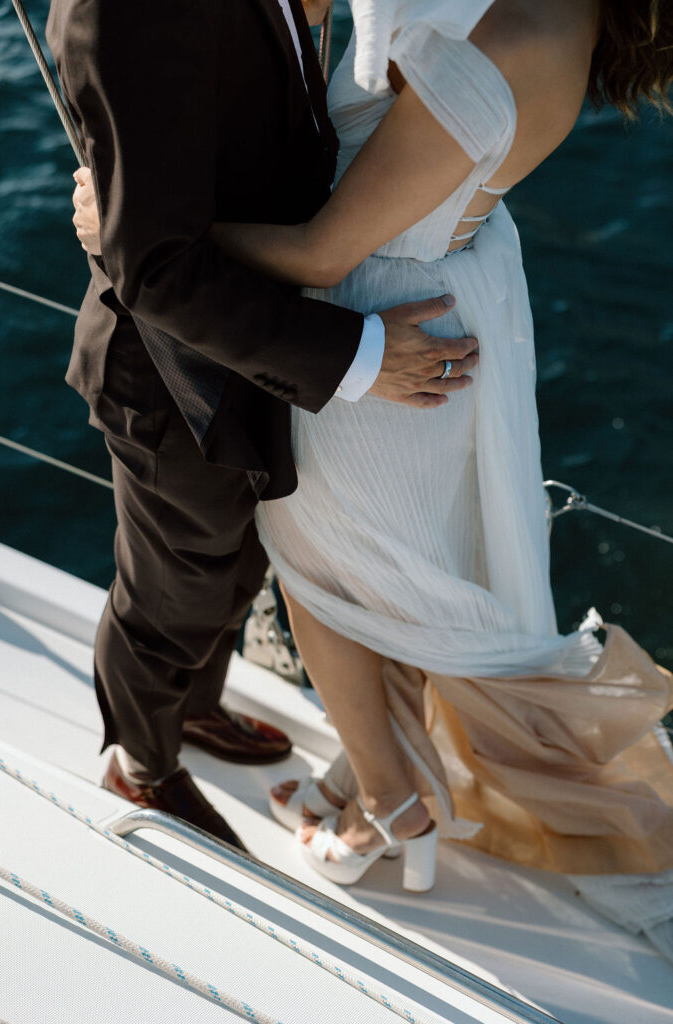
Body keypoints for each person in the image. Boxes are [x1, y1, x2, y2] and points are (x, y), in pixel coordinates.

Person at [73, 0, 673, 959]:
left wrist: (138, 227)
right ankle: (378, 775)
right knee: (386, 579)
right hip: (431, 293)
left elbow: (319, 249)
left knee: (323, 580)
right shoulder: (542, 20)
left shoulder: (517, 36)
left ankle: (388, 807)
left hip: (373, 323)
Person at [46, 0, 478, 851]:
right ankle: (141, 765)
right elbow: (154, 265)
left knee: (240, 559)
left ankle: (196, 707)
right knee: (174, 590)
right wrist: (354, 353)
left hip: (253, 350)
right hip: (173, 383)